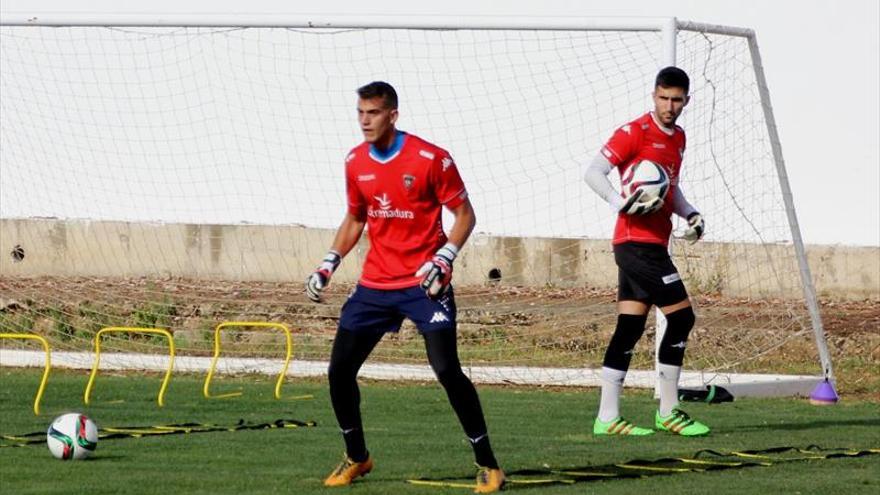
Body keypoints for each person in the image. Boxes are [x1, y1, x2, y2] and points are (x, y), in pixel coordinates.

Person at [306, 81, 505, 493]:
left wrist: (445, 256)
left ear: (392, 115)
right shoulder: (354, 161)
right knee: (339, 371)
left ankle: (488, 463)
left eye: (373, 113)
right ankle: (357, 457)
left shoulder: (432, 159)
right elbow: (355, 218)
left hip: (423, 284)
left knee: (447, 370)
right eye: (360, 112)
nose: (365, 120)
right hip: (375, 284)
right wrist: (329, 262)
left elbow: (465, 215)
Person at [584, 67, 710, 437]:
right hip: (635, 244)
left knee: (630, 326)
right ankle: (669, 411)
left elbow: (669, 189)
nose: (669, 106)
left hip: (653, 243)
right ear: (653, 95)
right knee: (683, 318)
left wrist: (690, 213)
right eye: (663, 98)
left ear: (686, 100)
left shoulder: (679, 138)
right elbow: (594, 172)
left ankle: (607, 418)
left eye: (676, 100)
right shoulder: (633, 132)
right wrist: (619, 202)